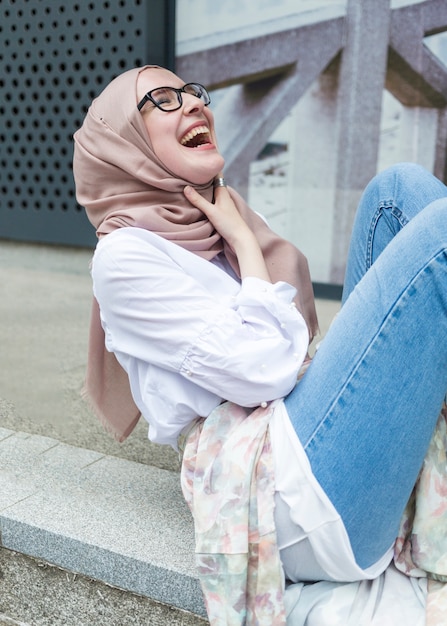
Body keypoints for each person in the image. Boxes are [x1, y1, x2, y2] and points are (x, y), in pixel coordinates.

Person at [73, 65, 447, 622]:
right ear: (122, 144)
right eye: (163, 99)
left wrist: (239, 234)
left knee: (399, 192)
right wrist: (246, 244)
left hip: (313, 432)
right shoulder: (126, 257)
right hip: (284, 494)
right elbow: (269, 369)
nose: (194, 105)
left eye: (194, 93)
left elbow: (289, 355)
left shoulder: (220, 218)